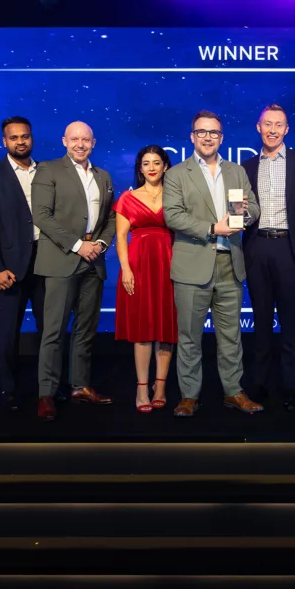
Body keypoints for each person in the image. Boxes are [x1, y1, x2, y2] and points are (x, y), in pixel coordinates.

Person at [163, 110, 263, 417]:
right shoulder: (176, 173)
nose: (208, 137)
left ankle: (233, 391)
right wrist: (212, 228)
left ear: (222, 137)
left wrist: (243, 216)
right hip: (193, 266)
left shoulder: (237, 171)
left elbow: (253, 208)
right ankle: (189, 396)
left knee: (231, 336)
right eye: (202, 132)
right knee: (189, 337)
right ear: (192, 136)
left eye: (214, 133)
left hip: (230, 264)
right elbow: (173, 215)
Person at [30, 121, 115, 421]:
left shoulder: (103, 176)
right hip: (62, 259)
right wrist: (78, 245)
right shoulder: (48, 170)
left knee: (85, 330)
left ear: (93, 143)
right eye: (75, 139)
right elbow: (42, 215)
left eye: (86, 139)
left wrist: (101, 244)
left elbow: (110, 218)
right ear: (64, 141)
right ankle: (46, 394)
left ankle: (80, 386)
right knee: (53, 332)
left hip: (94, 261)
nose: (80, 144)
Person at [240, 104, 295, 411]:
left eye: (278, 125)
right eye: (267, 124)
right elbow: (238, 212)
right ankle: (258, 383)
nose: (272, 130)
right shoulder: (245, 166)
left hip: (289, 248)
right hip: (256, 246)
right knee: (260, 321)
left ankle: (290, 386)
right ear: (259, 127)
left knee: (290, 321)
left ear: (286, 129)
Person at [0, 117, 41, 411]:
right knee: (7, 333)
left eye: (24, 136)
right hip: (11, 267)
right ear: (4, 141)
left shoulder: (47, 171)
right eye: (14, 138)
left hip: (46, 263)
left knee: (49, 331)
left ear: (31, 138)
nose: (20, 142)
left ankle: (48, 387)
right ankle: (9, 389)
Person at [115, 145, 178, 412]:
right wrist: (126, 269)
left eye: (156, 162)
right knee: (142, 330)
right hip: (138, 266)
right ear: (140, 169)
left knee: (166, 328)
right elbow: (120, 237)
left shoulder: (176, 195)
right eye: (146, 163)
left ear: (165, 166)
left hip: (170, 265)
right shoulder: (128, 198)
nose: (151, 168)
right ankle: (142, 388)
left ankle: (160, 386)